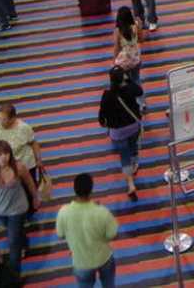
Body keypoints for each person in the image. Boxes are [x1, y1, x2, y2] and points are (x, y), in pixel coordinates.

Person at [0, 140, 40, 280]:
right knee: (14, 232)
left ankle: (14, 276)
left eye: (6, 153)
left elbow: (30, 183)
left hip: (18, 209)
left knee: (12, 242)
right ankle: (23, 240)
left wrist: (35, 198)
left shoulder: (19, 167)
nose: (3, 157)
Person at [56, 173, 118, 288]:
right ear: (91, 189)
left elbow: (60, 234)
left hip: (81, 262)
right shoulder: (102, 212)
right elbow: (112, 234)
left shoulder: (63, 212)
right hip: (104, 258)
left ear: (74, 190)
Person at [98, 66, 143, 201]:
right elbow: (140, 91)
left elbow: (101, 118)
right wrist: (129, 80)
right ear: (124, 77)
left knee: (124, 156)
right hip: (134, 126)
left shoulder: (107, 95)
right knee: (133, 144)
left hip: (118, 132)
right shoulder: (130, 89)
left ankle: (130, 184)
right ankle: (135, 163)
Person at [0, 103, 44, 188]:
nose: (0, 121)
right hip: (6, 166)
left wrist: (38, 159)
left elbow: (33, 143)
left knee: (29, 188)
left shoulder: (24, 128)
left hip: (26, 165)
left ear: (13, 119)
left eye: (3, 119)